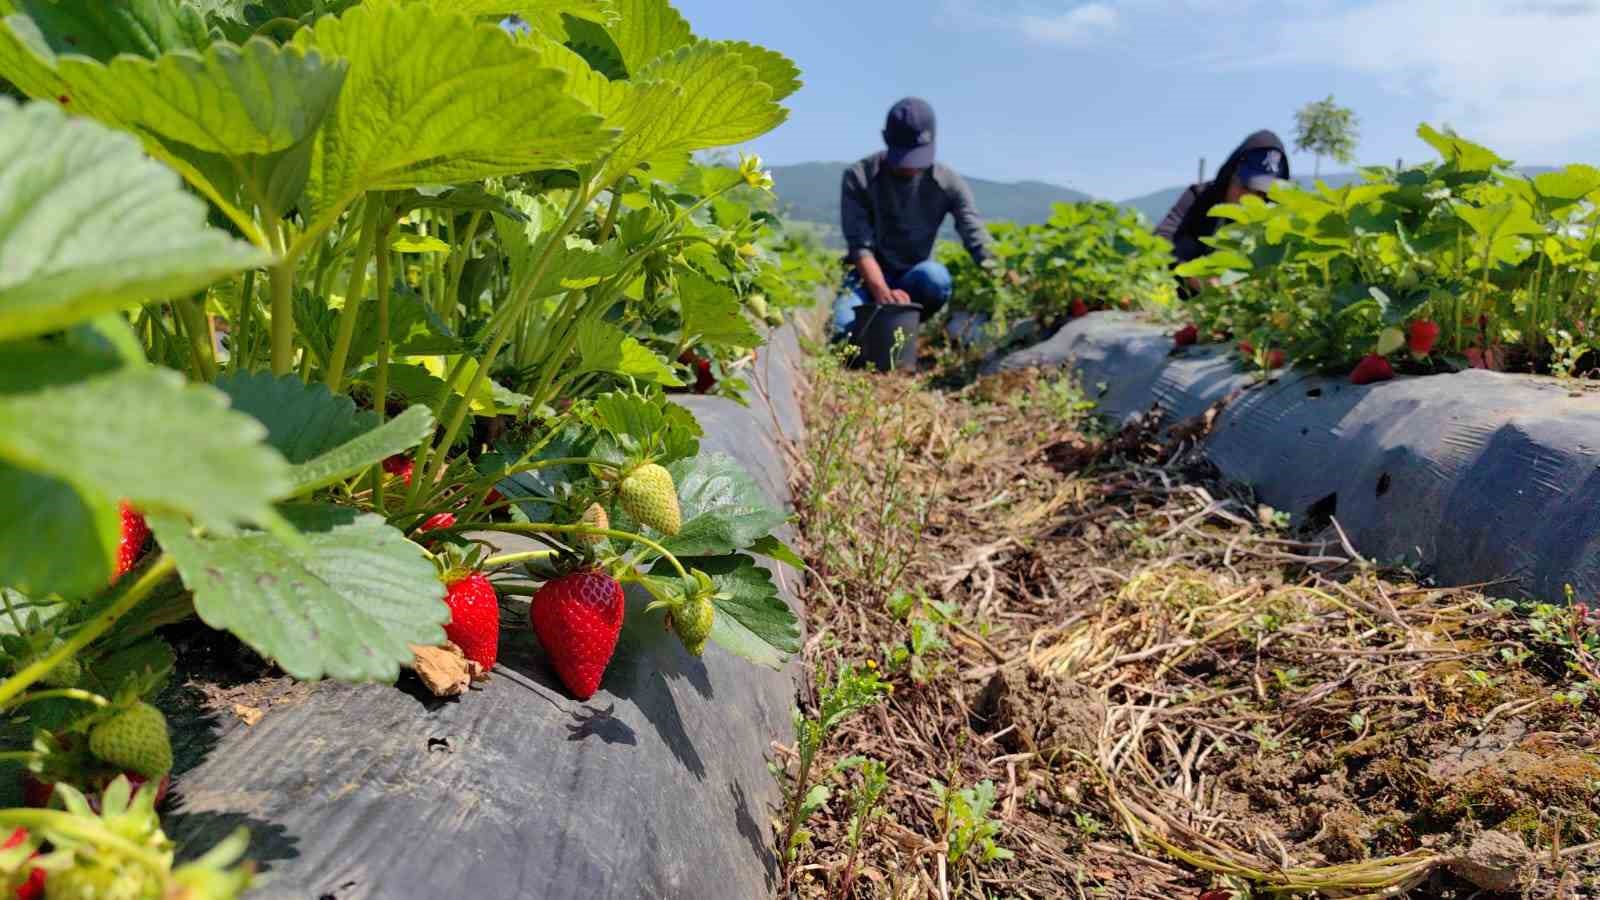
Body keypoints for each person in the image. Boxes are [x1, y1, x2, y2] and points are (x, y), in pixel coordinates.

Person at [833, 97, 998, 338]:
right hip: (865, 279)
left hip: (914, 278)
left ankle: (904, 329)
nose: (910, 167)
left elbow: (976, 237)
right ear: (886, 138)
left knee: (935, 278)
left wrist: (1007, 276)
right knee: (841, 332)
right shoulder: (860, 177)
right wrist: (882, 292)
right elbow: (860, 246)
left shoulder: (947, 182)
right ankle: (879, 332)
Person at [1155, 131, 1290, 297]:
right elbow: (1161, 238)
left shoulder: (1272, 218)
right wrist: (1193, 276)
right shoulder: (1199, 197)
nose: (1250, 198)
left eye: (1261, 192)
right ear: (1230, 175)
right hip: (1184, 297)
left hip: (1238, 303)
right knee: (1181, 243)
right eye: (1245, 186)